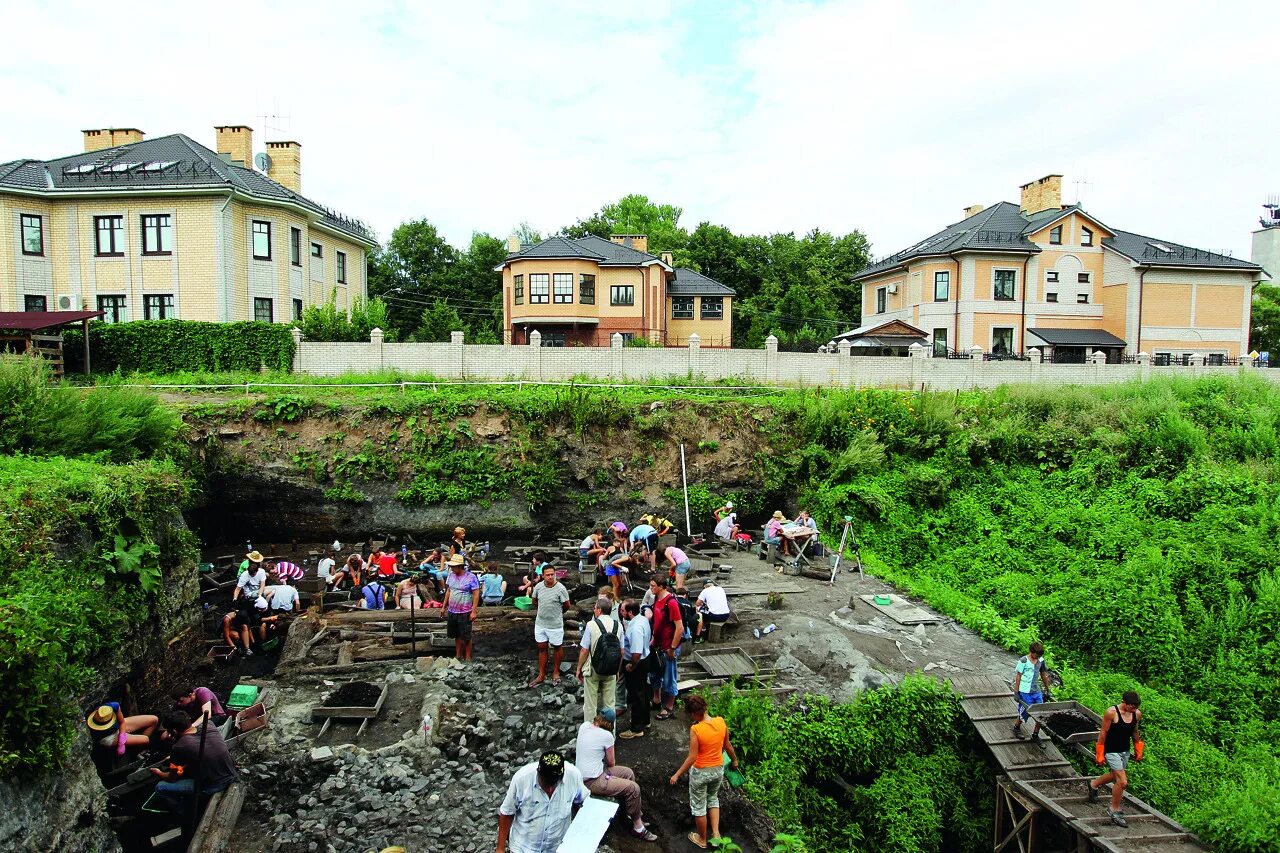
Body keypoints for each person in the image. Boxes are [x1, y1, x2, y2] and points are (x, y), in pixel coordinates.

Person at [574, 708, 658, 842]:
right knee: (633, 788)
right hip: (592, 781)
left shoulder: (584, 726)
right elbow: (611, 762)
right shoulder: (607, 736)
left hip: (590, 773)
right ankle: (638, 828)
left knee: (628, 773)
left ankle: (631, 815)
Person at [669, 694, 739, 850]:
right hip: (718, 770)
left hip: (701, 772)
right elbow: (727, 746)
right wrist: (734, 760)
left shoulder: (696, 729)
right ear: (705, 708)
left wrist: (677, 774)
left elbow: (692, 757)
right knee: (713, 798)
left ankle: (702, 839)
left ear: (693, 714)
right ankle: (716, 834)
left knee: (699, 806)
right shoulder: (720, 721)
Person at [495, 751, 589, 853]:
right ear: (538, 772)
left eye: (553, 783)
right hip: (524, 847)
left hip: (557, 847)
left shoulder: (573, 776)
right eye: (546, 783)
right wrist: (500, 848)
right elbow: (507, 812)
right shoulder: (521, 779)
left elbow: (583, 804)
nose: (549, 789)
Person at [150, 710, 237, 814]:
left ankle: (183, 812)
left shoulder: (179, 747)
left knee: (160, 787)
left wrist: (158, 773)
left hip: (214, 785)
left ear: (173, 731)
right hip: (231, 772)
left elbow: (171, 778)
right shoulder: (209, 725)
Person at [1087, 691, 1144, 827]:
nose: (1133, 709)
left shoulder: (1136, 714)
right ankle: (1114, 809)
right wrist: (1100, 752)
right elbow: (1103, 732)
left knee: (1114, 776)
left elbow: (1135, 731)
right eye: (1131, 706)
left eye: (1135, 707)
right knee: (1122, 782)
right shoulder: (1112, 712)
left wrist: (1138, 748)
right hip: (1111, 750)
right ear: (1124, 702)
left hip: (1124, 750)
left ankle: (1094, 784)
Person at [576, 597, 622, 723]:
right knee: (609, 704)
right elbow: (621, 651)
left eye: (595, 608)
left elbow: (584, 650)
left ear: (599, 610)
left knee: (590, 704)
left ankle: (590, 734)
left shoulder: (591, 625)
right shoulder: (618, 626)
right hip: (611, 669)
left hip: (593, 668)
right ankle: (609, 735)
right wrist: (617, 669)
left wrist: (579, 668)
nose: (594, 610)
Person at [649, 575, 684, 720]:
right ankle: (656, 699)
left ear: (662, 586)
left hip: (668, 646)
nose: (651, 588)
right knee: (654, 674)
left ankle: (669, 706)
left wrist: (672, 647)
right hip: (657, 644)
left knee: (669, 676)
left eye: (653, 586)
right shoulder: (657, 599)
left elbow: (679, 627)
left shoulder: (671, 603)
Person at [529, 565, 571, 687]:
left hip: (555, 624)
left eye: (553, 574)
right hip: (541, 623)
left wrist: (557, 613)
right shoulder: (538, 587)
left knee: (557, 647)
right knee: (542, 647)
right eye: (548, 575)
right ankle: (541, 673)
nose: (551, 577)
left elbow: (567, 605)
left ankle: (556, 671)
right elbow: (534, 601)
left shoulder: (561, 589)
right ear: (543, 575)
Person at [620, 598, 652, 739]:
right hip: (645, 659)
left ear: (630, 612)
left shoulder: (635, 629)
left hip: (637, 663)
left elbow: (636, 653)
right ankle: (645, 720)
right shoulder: (642, 619)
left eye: (622, 610)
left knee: (635, 695)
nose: (621, 613)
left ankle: (636, 728)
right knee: (643, 691)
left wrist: (631, 665)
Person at [441, 553, 480, 660]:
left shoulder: (471, 577)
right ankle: (458, 655)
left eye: (454, 566)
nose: (452, 568)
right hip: (452, 610)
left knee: (466, 636)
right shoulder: (451, 575)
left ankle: (467, 656)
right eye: (451, 566)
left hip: (465, 610)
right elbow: (449, 591)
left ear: (460, 566)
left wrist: (474, 611)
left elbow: (476, 593)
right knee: (456, 634)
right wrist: (444, 606)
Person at [1011, 641, 1051, 741]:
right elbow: (1018, 676)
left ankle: (1035, 735)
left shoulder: (1041, 660)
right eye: (1036, 655)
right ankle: (1016, 728)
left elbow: (1043, 675)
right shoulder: (1023, 660)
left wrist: (1047, 690)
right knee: (1026, 711)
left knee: (1040, 713)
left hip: (1036, 691)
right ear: (1031, 652)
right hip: (1024, 691)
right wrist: (1016, 692)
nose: (1037, 657)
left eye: (1039, 655)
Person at [86, 701, 159, 756]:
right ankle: (136, 752)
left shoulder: (113, 707)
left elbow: (122, 722)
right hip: (108, 737)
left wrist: (122, 740)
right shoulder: (94, 718)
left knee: (154, 720)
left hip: (117, 726)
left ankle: (137, 747)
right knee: (146, 740)